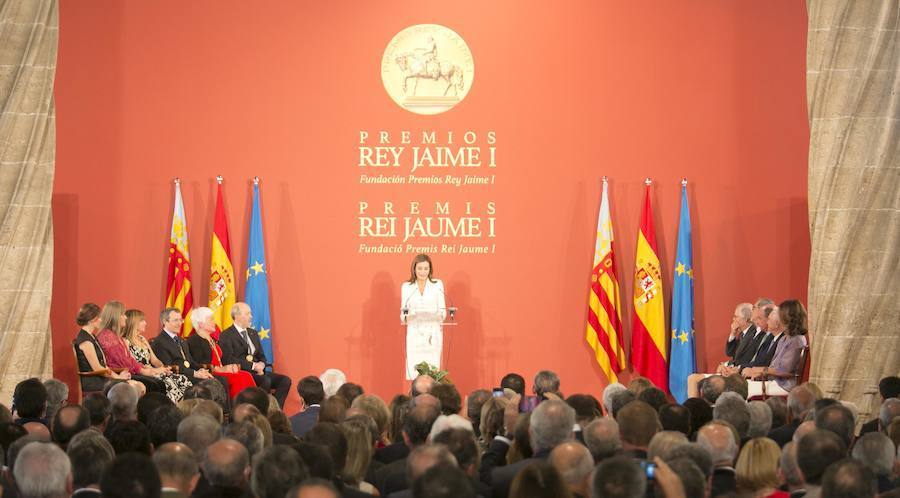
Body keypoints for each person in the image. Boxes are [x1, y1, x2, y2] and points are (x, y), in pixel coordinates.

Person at [218, 302, 292, 407]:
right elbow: (228, 359)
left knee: (285, 381)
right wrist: (253, 366)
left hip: (259, 371)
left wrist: (262, 364)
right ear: (237, 316)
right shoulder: (226, 335)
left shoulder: (253, 333)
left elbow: (261, 355)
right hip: (243, 372)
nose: (251, 317)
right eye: (248, 314)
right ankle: (259, 412)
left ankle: (274, 411)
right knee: (265, 381)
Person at [96, 301, 167, 394]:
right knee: (155, 384)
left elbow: (129, 359)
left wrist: (146, 369)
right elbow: (122, 362)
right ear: (115, 317)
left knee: (158, 383)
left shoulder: (115, 336)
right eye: (123, 314)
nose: (125, 317)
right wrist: (144, 371)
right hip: (118, 373)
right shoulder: (107, 336)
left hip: (126, 371)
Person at [741, 300, 808, 397]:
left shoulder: (797, 340)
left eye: (780, 316)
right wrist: (758, 372)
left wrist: (761, 371)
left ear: (788, 318)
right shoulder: (784, 338)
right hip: (775, 382)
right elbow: (774, 365)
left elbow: (786, 370)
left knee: (746, 390)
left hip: (785, 386)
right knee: (743, 386)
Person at [124, 309, 192, 402]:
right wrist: (154, 370)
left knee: (182, 379)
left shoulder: (142, 339)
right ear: (134, 323)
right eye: (142, 321)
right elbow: (132, 363)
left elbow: (154, 360)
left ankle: (185, 406)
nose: (145, 323)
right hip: (141, 371)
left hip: (153, 370)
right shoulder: (126, 341)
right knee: (167, 382)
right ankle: (171, 407)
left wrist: (164, 368)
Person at [187, 307, 255, 399]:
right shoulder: (194, 340)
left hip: (221, 371)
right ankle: (237, 409)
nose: (214, 322)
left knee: (246, 375)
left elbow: (222, 360)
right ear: (201, 324)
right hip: (210, 373)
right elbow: (197, 364)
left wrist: (231, 366)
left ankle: (252, 407)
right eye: (210, 320)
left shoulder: (213, 340)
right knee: (239, 378)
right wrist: (220, 369)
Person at [400, 254, 446, 380]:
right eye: (420, 268)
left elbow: (443, 311)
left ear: (430, 269)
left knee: (432, 372)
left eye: (426, 268)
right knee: (416, 372)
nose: (423, 272)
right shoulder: (407, 287)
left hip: (433, 334)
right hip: (415, 334)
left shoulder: (437, 285)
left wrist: (436, 315)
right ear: (414, 269)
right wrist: (407, 316)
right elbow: (403, 313)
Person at [150, 307, 218, 387]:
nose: (180, 324)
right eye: (176, 320)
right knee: (210, 383)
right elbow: (169, 368)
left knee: (219, 379)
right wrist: (194, 373)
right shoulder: (159, 342)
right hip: (175, 378)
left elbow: (190, 362)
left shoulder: (182, 340)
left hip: (188, 374)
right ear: (165, 322)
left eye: (181, 320)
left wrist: (201, 370)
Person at [74, 303, 130, 392]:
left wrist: (118, 377)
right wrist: (118, 378)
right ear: (91, 320)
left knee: (135, 385)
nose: (101, 320)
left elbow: (103, 365)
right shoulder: (85, 341)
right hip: (92, 381)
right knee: (131, 386)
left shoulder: (91, 336)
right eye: (98, 318)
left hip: (100, 378)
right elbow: (97, 368)